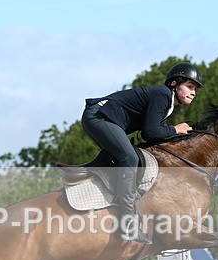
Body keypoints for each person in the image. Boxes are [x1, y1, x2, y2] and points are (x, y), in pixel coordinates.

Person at [81, 62, 204, 243]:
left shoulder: (167, 102)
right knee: (129, 158)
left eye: (195, 89)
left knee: (126, 156)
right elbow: (151, 132)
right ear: (174, 84)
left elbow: (150, 134)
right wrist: (175, 130)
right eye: (190, 86)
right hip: (99, 116)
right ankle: (128, 224)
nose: (193, 92)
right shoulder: (163, 95)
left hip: (102, 117)